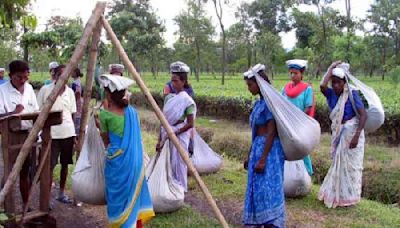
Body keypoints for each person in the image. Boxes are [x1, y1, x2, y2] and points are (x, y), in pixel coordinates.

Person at [97, 74, 154, 227]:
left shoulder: (104, 115)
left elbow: (106, 141)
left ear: (108, 94)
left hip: (117, 163)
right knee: (133, 197)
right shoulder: (132, 113)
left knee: (118, 199)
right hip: (134, 162)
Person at [318, 61, 367, 208]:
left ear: (344, 82)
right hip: (340, 132)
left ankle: (349, 197)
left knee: (351, 166)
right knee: (338, 164)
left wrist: (356, 137)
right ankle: (337, 195)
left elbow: (363, 116)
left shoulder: (352, 94)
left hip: (352, 132)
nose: (335, 86)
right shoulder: (331, 94)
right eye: (334, 83)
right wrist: (330, 68)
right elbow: (322, 86)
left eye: (338, 83)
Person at [242, 64, 285, 227]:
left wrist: (263, 159)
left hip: (270, 150)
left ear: (259, 84)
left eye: (250, 85)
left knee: (267, 187)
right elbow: (255, 134)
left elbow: (271, 132)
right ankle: (259, 219)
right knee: (257, 186)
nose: (249, 88)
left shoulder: (269, 104)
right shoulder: (258, 104)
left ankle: (271, 221)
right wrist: (250, 155)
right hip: (258, 149)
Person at [0, 60, 39, 207]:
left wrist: (37, 133)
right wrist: (13, 113)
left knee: (25, 172)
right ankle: (4, 205)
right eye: (19, 77)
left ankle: (26, 205)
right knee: (9, 173)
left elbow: (35, 110)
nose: (23, 80)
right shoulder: (2, 91)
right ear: (11, 76)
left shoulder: (29, 89)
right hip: (11, 136)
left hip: (28, 134)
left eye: (26, 77)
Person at [37, 64, 77, 204]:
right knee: (49, 165)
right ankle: (46, 198)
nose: (64, 78)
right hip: (51, 134)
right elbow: (38, 112)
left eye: (66, 75)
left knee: (65, 164)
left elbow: (72, 113)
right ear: (55, 75)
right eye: (61, 74)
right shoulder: (45, 90)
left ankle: (61, 193)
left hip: (68, 133)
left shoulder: (70, 92)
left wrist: (74, 134)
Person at [156, 66, 196, 192]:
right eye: (172, 81)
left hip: (179, 136)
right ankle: (167, 187)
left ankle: (180, 188)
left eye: (176, 81)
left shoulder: (187, 101)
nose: (173, 84)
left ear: (183, 81)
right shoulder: (169, 99)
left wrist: (175, 132)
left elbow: (190, 124)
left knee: (179, 163)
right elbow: (163, 121)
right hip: (167, 134)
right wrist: (159, 139)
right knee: (166, 161)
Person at [281, 59, 314, 176]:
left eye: (296, 73)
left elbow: (308, 106)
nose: (293, 76)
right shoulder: (285, 88)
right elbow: (280, 102)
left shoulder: (307, 89)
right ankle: (288, 175)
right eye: (291, 73)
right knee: (287, 148)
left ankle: (306, 173)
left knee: (301, 148)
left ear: (301, 74)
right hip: (286, 123)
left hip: (300, 123)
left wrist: (298, 119)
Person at [71, 67, 84, 137]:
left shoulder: (76, 82)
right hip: (79, 101)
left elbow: (78, 93)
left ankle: (76, 134)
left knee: (76, 117)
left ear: (75, 73)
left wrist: (74, 101)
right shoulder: (78, 81)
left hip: (77, 102)